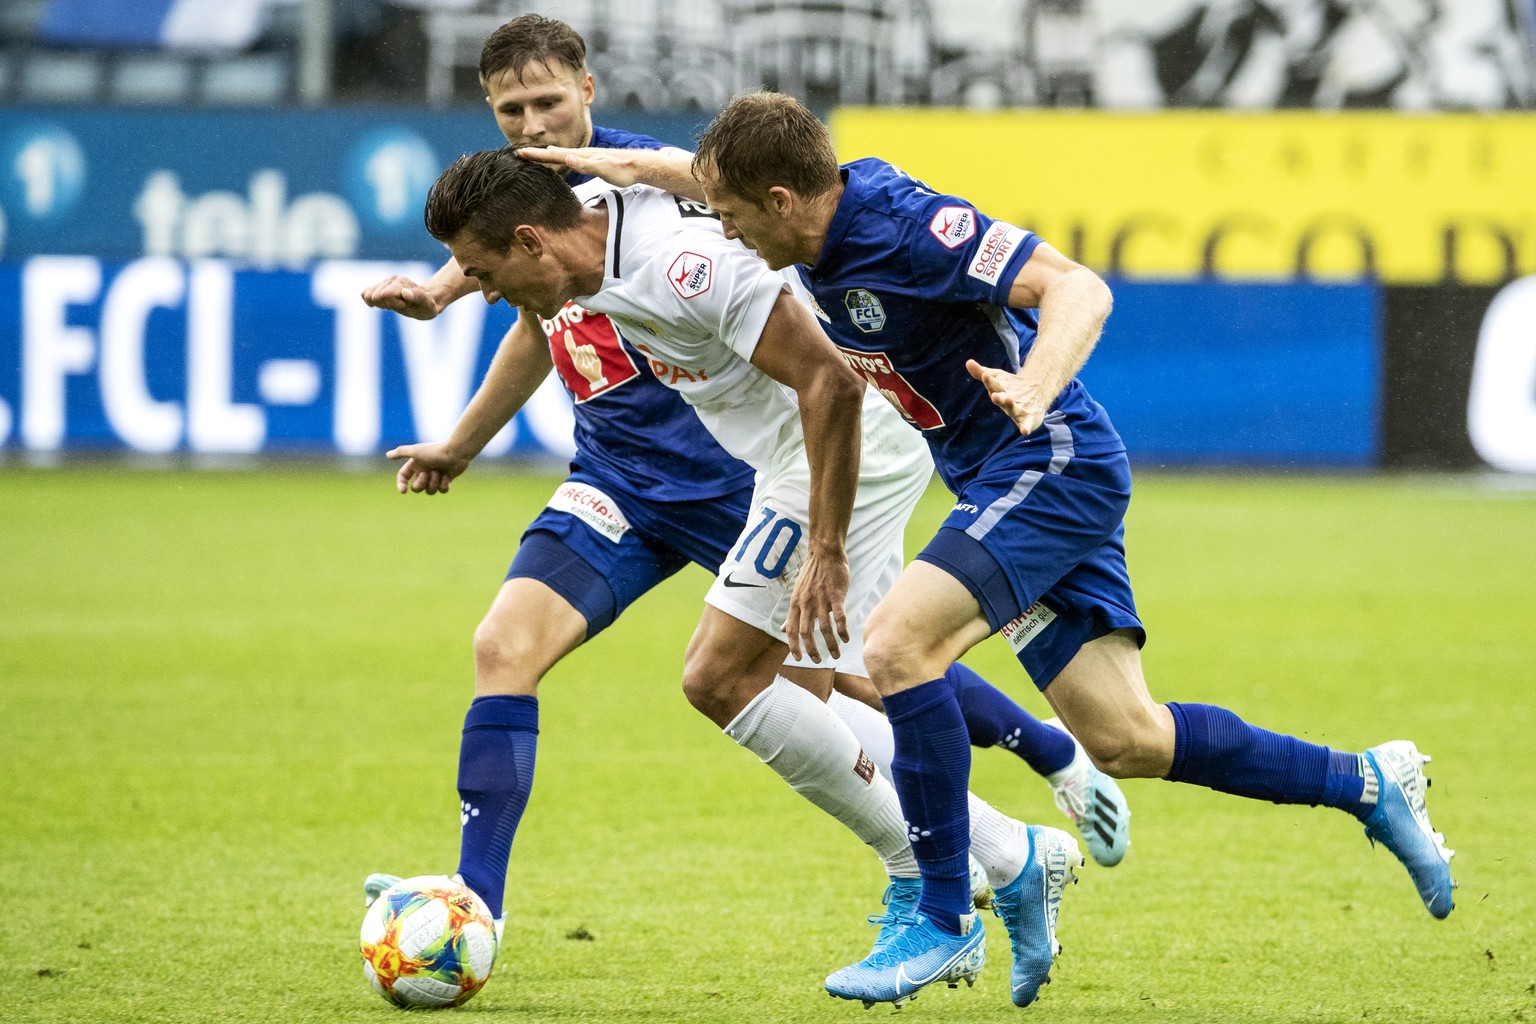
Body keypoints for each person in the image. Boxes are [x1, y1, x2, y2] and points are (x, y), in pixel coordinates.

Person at [550, 90, 1459, 1007]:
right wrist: (630, 166)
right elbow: (702, 183)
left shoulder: (911, 232)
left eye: (737, 216)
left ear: (781, 201)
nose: (730, 235)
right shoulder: (804, 215)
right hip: (1000, 478)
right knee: (1126, 738)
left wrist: (1037, 381)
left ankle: (943, 914)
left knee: (899, 646)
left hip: (1049, 459)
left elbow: (1077, 287)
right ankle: (1368, 782)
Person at [359, 16, 1130, 970]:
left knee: (801, 672)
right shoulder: (569, 217)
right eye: (511, 111)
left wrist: (828, 545)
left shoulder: (679, 244)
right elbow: (529, 286)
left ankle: (958, 870)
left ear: (588, 93)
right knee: (778, 671)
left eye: (547, 104)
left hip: (793, 460)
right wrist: (448, 318)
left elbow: (829, 377)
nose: (533, 125)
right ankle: (477, 902)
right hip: (631, 474)